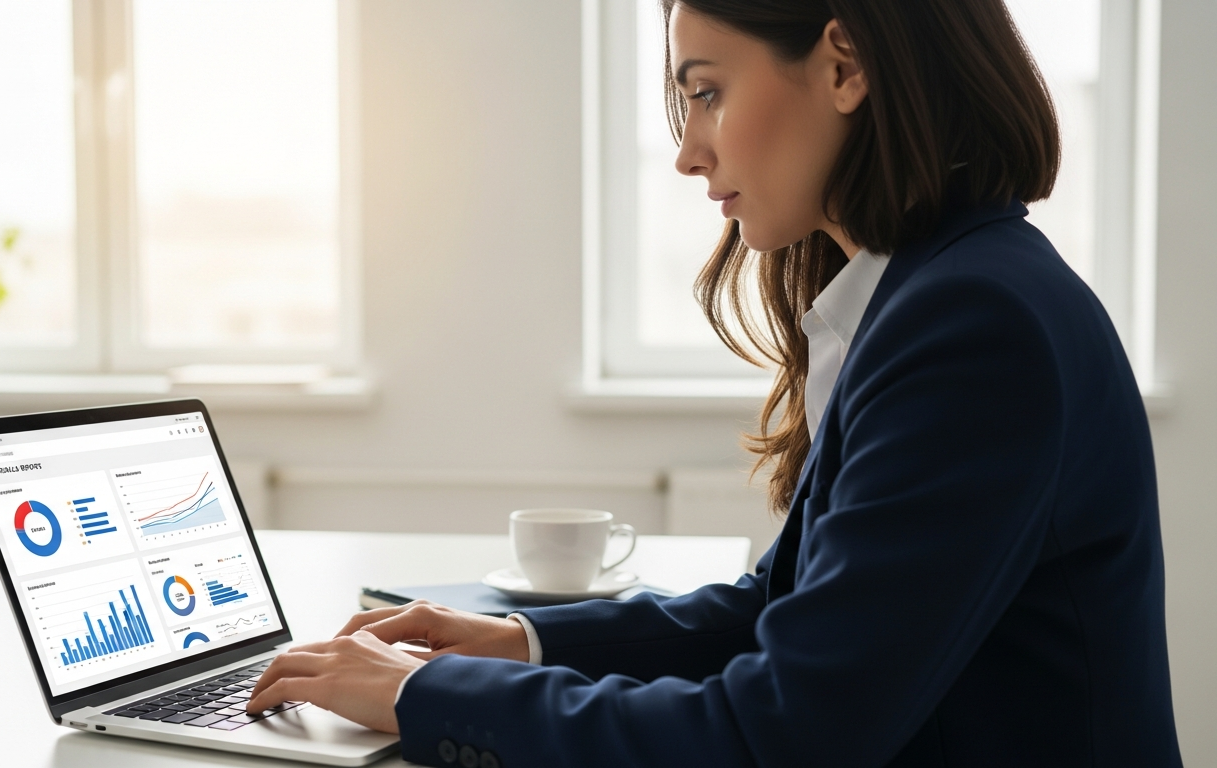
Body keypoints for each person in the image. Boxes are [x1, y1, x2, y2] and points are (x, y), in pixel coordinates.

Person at [246, 0, 1182, 765]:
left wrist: (428, 695)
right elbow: (778, 610)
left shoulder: (973, 327)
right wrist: (521, 642)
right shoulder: (942, 292)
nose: (689, 150)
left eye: (707, 92)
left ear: (845, 66)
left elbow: (783, 731)